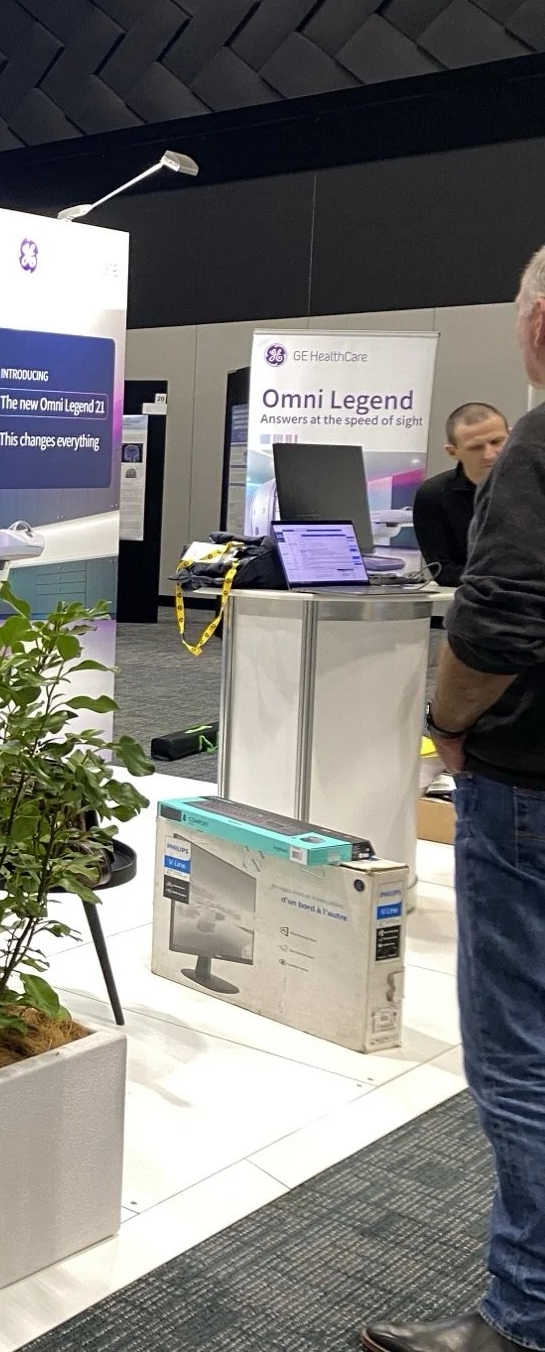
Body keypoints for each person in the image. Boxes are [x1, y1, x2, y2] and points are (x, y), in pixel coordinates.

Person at [365, 252, 545, 1352]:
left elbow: (497, 622)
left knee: (520, 1053)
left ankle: (524, 1317)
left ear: (538, 327)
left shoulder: (540, 445)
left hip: (529, 788)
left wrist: (447, 724)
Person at [413, 402, 510, 585]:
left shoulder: (535, 484)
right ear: (453, 452)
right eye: (476, 447)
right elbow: (442, 569)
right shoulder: (434, 495)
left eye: (497, 442)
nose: (489, 454)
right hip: (475, 595)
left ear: (511, 437)